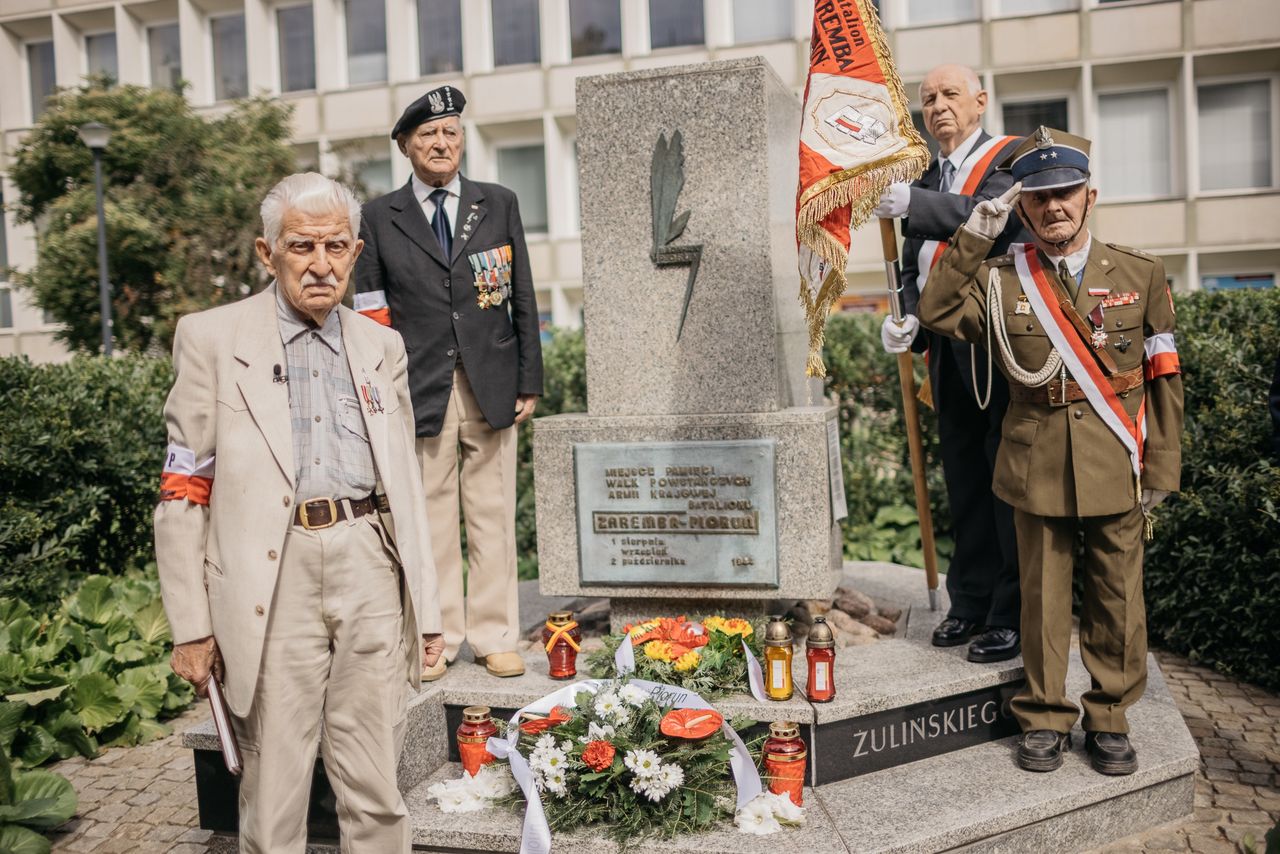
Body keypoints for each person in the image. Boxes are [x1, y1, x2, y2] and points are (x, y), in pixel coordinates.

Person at [155, 173, 444, 851]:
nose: (321, 264)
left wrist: (427, 608)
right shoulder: (210, 339)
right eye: (302, 247)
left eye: (336, 246)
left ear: (355, 250)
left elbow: (406, 484)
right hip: (272, 576)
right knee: (275, 785)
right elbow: (181, 492)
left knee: (376, 780)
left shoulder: (382, 346)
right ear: (267, 253)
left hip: (369, 561)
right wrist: (191, 626)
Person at [918, 127, 1183, 775]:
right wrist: (976, 235)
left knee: (1117, 601)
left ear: (1089, 196)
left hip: (1114, 459)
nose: (1053, 206)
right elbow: (936, 308)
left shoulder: (1139, 274)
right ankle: (1043, 717)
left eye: (1065, 193)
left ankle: (1111, 718)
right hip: (1033, 461)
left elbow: (1163, 376)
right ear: (1024, 208)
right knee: (1039, 601)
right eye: (1038, 198)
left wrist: (1162, 466)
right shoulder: (1005, 279)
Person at [354, 85, 543, 680]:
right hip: (418, 387)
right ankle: (439, 636)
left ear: (462, 141)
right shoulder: (378, 217)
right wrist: (379, 389)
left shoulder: (499, 202)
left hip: (490, 381)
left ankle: (494, 636)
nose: (442, 143)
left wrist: (528, 378)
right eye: (429, 135)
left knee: (492, 516)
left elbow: (522, 296)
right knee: (430, 517)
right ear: (407, 146)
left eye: (451, 133)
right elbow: (369, 310)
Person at [874, 64, 1025, 663]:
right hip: (945, 349)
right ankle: (969, 602)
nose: (937, 106)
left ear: (980, 101)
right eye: (928, 98)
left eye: (950, 95)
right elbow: (917, 266)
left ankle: (1008, 614)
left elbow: (992, 216)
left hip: (997, 347)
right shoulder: (928, 176)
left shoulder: (1012, 158)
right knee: (963, 481)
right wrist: (906, 317)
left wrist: (916, 202)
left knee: (1003, 484)